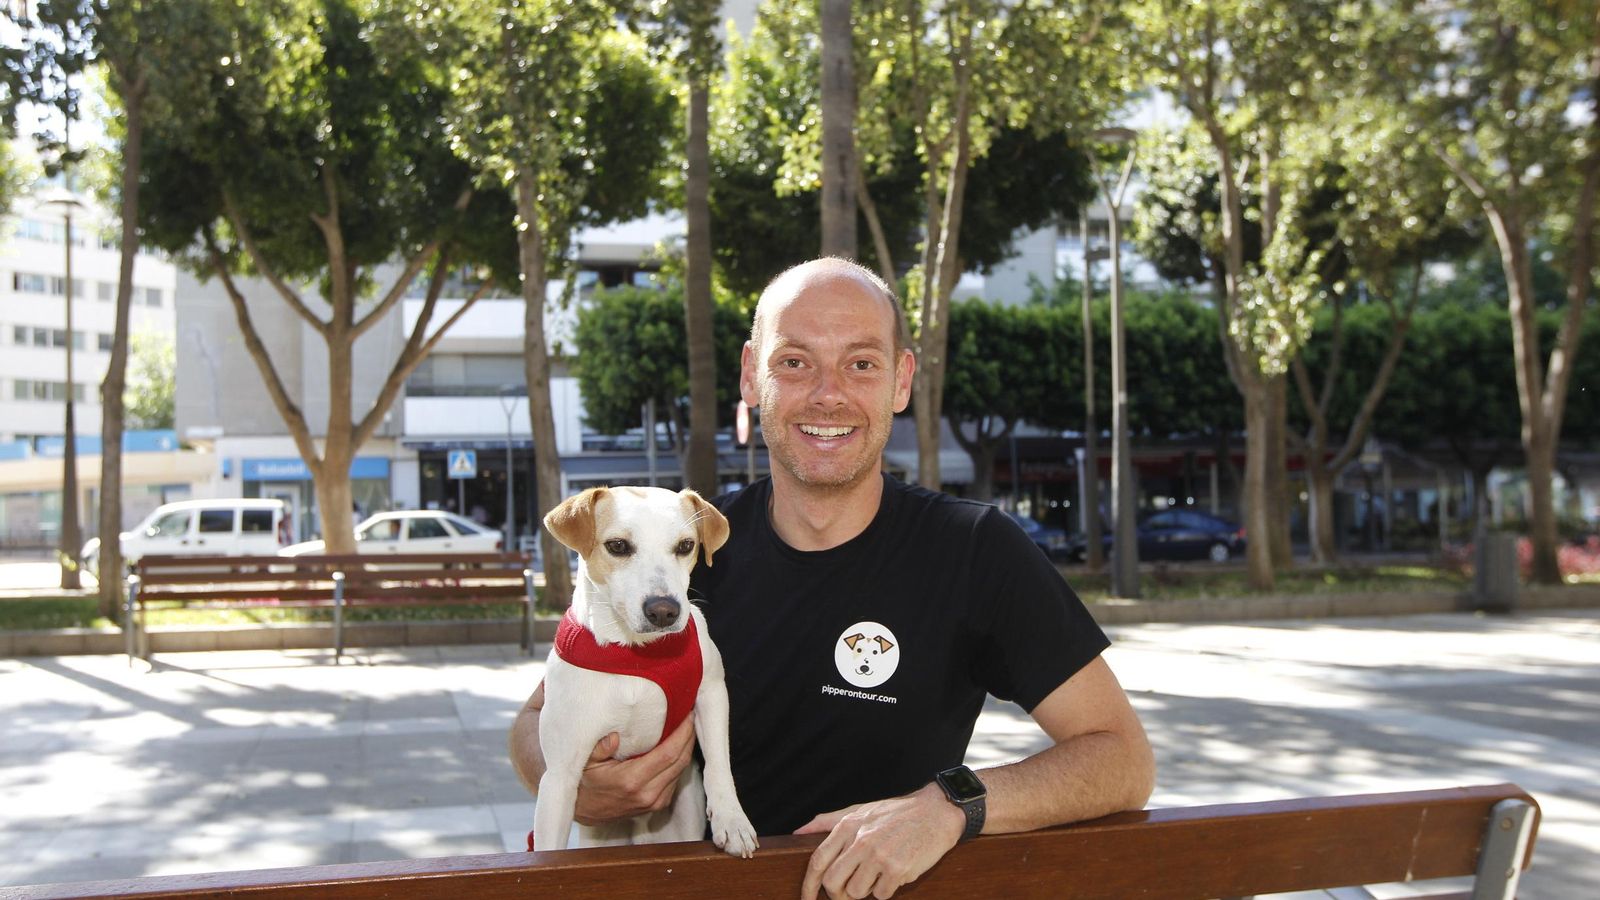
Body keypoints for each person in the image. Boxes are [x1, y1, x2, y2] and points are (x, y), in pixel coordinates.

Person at [510, 257, 1154, 899]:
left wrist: (947, 805)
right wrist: (572, 782)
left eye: (862, 363)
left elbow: (1121, 757)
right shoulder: (687, 551)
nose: (828, 393)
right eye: (794, 362)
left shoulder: (974, 550)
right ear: (751, 376)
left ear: (901, 381)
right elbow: (537, 718)